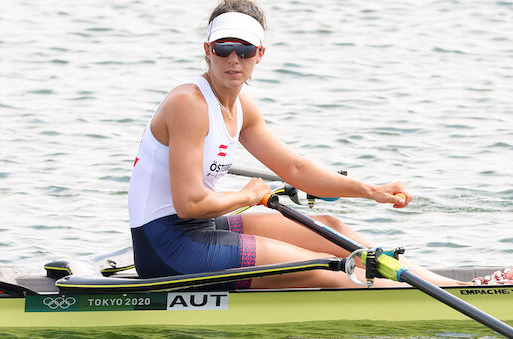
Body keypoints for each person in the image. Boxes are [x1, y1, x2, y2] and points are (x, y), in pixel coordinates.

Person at [128, 0, 511, 289]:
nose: (233, 59)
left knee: (329, 226)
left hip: (202, 227)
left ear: (259, 55)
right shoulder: (189, 104)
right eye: (223, 48)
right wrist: (247, 194)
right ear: (207, 49)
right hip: (167, 247)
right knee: (323, 266)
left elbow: (295, 170)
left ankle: (454, 289)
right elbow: (189, 203)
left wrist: (370, 190)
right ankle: (404, 296)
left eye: (244, 50)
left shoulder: (241, 106)